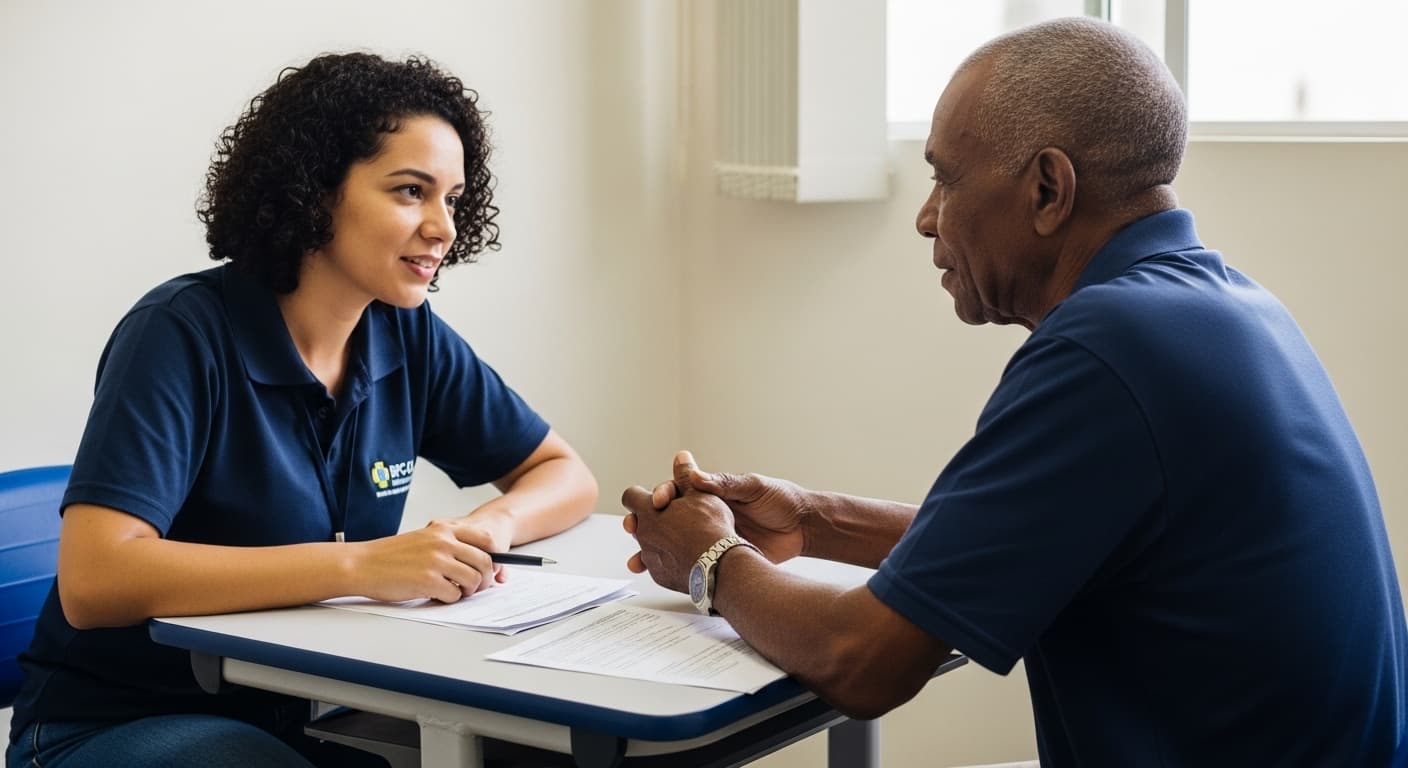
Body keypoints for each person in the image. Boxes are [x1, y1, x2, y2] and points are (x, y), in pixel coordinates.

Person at [622, 17, 1407, 767]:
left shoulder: (1107, 348)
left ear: (1047, 190)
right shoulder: (1219, 306)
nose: (927, 219)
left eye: (944, 180)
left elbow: (861, 662)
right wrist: (814, 518)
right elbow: (1055, 541)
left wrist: (709, 556)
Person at [6, 53, 598, 768]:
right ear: (315, 191)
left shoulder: (405, 332)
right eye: (412, 191)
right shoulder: (179, 332)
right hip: (117, 726)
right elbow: (97, 581)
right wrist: (362, 567)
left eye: (452, 198)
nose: (443, 226)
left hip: (311, 713)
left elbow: (561, 472)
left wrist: (482, 531)